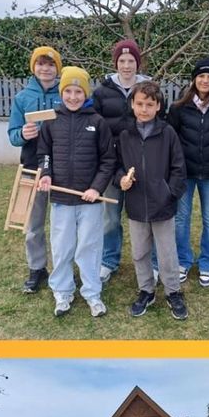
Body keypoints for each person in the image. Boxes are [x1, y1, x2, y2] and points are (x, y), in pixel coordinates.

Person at [36, 65, 116, 317]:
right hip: (61, 199)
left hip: (88, 200)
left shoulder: (97, 122)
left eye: (78, 91)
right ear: (62, 92)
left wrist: (96, 187)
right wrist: (46, 173)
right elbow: (44, 153)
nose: (73, 96)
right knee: (62, 247)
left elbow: (108, 160)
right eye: (68, 91)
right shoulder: (51, 121)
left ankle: (92, 293)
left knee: (89, 247)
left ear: (86, 93)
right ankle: (62, 292)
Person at [116, 81, 188, 320]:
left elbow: (179, 168)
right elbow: (117, 166)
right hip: (136, 204)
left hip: (162, 205)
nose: (144, 109)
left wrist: (169, 193)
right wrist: (121, 180)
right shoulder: (125, 135)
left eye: (150, 104)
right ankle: (146, 290)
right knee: (139, 252)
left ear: (158, 106)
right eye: (139, 104)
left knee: (167, 253)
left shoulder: (167, 133)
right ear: (132, 104)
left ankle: (173, 291)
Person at [91, 39, 156, 284]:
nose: (127, 65)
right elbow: (93, 128)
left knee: (147, 215)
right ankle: (109, 260)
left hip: (144, 162)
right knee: (110, 217)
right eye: (122, 61)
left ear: (137, 63)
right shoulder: (101, 92)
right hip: (112, 164)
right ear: (116, 63)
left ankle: (152, 262)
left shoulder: (149, 88)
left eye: (131, 61)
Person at [166, 57, 209, 287]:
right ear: (194, 79)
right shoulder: (180, 106)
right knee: (181, 219)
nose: (205, 80)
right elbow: (170, 139)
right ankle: (183, 260)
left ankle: (207, 263)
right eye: (201, 76)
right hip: (185, 172)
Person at [6, 46, 61, 294]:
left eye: (50, 64)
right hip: (31, 165)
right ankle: (37, 268)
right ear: (33, 67)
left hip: (62, 165)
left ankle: (63, 267)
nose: (45, 69)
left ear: (57, 68)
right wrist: (22, 133)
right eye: (40, 64)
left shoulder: (66, 93)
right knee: (33, 223)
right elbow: (12, 135)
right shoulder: (22, 98)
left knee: (63, 223)